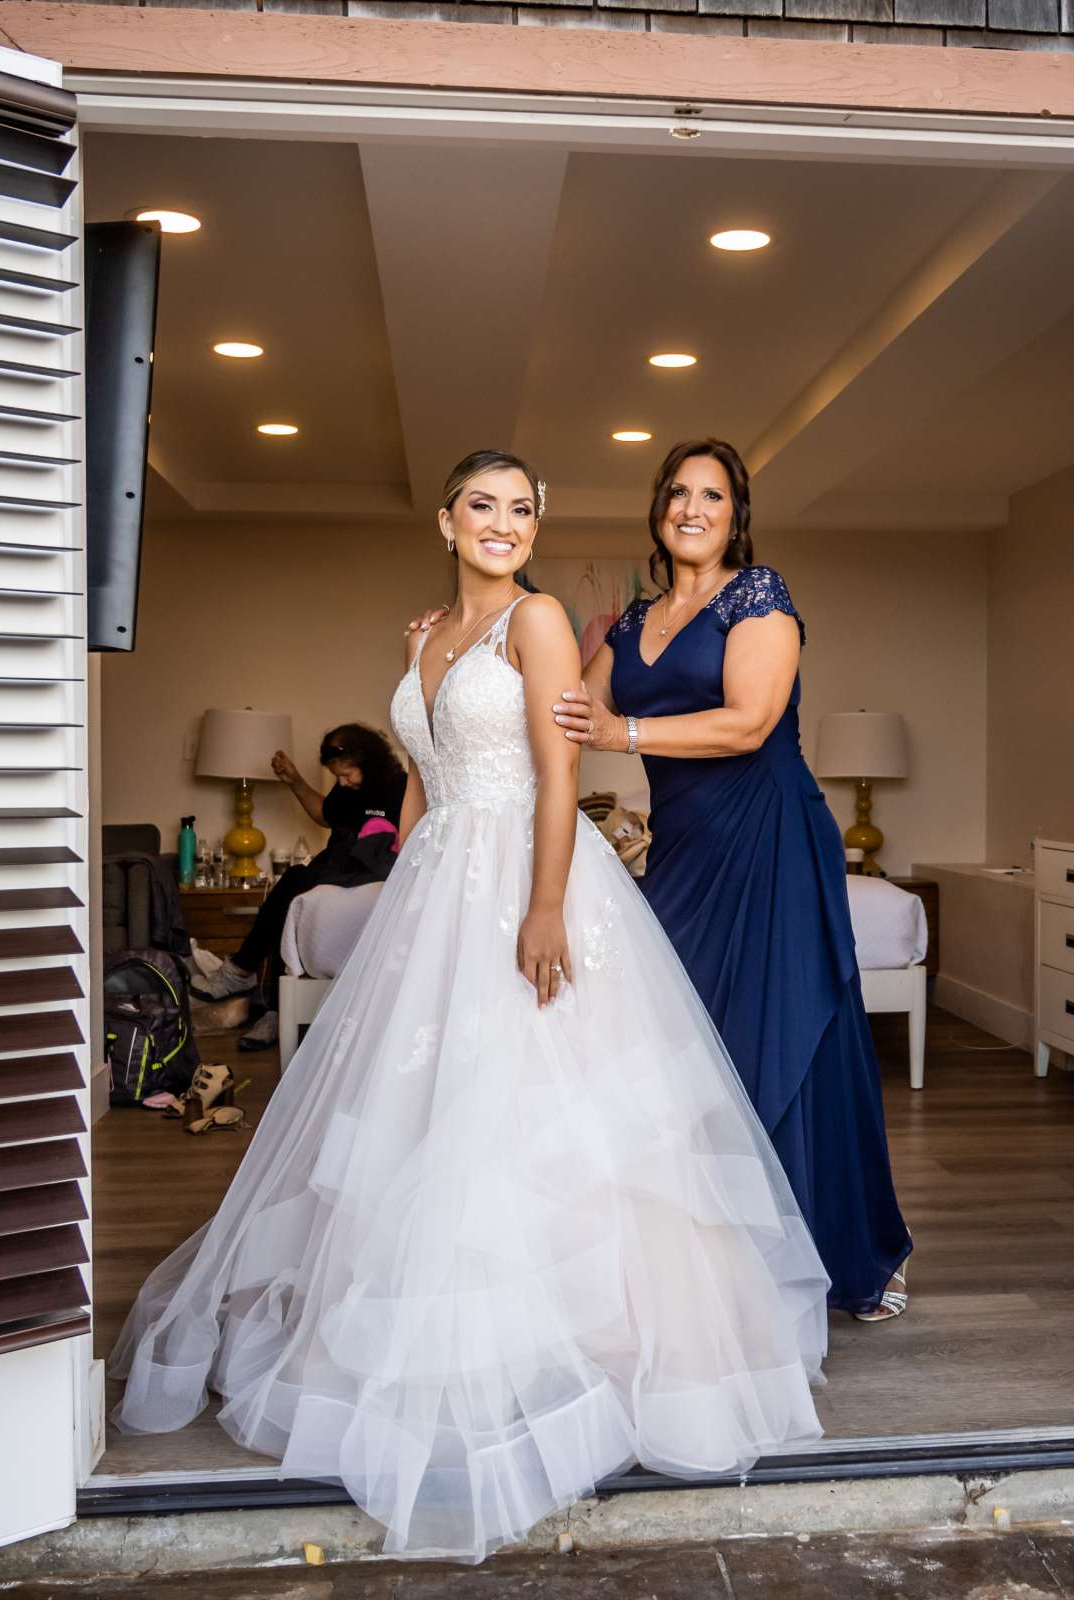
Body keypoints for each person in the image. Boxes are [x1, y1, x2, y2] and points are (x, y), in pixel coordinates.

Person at [109, 449, 829, 1562]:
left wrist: (543, 906)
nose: (504, 522)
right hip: (442, 875)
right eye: (483, 506)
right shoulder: (420, 635)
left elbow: (555, 772)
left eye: (523, 508)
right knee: (426, 1108)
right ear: (447, 519)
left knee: (542, 1105)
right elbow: (419, 775)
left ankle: (577, 1345)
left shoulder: (541, 622)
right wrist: (402, 883)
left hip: (529, 877)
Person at [554, 439, 912, 1323]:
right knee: (671, 1038)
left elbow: (750, 723)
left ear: (735, 514)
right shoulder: (632, 625)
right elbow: (567, 710)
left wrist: (622, 736)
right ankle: (700, 1251)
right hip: (683, 851)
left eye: (711, 495)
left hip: (772, 839)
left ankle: (836, 1253)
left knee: (791, 1034)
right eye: (677, 492)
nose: (692, 508)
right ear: (658, 508)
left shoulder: (759, 596)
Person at [201, 724, 407, 1049]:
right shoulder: (348, 790)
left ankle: (244, 975)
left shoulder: (401, 787)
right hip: (336, 863)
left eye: (347, 774)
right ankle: (272, 1002)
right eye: (337, 776)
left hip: (373, 866)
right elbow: (325, 815)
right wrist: (295, 781)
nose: (343, 782)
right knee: (292, 885)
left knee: (294, 883)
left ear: (367, 761)